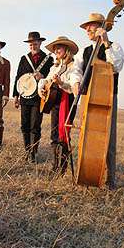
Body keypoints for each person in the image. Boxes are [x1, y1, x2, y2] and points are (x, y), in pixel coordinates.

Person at [73, 12, 124, 188]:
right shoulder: (84, 51)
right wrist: (75, 83)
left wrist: (105, 42)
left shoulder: (113, 46)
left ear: (102, 26)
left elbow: (116, 66)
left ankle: (110, 178)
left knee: (109, 138)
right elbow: (76, 70)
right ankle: (87, 171)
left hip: (108, 98)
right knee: (85, 134)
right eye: (86, 27)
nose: (87, 29)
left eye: (91, 25)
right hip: (87, 97)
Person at [38, 36, 81, 174]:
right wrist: (41, 88)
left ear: (67, 50)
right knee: (54, 134)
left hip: (67, 102)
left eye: (59, 47)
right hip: (55, 103)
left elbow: (72, 87)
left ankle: (61, 168)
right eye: (55, 48)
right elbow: (46, 80)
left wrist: (61, 83)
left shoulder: (73, 66)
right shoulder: (54, 67)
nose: (56, 50)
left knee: (63, 134)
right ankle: (56, 166)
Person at [13, 31, 54, 162]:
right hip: (25, 96)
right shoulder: (24, 59)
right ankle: (27, 151)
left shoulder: (48, 59)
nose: (32, 47)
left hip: (39, 97)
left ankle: (33, 153)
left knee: (35, 126)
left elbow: (51, 77)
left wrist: (43, 76)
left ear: (40, 43)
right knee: (24, 125)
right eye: (30, 44)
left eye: (35, 44)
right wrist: (15, 96)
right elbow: (18, 78)